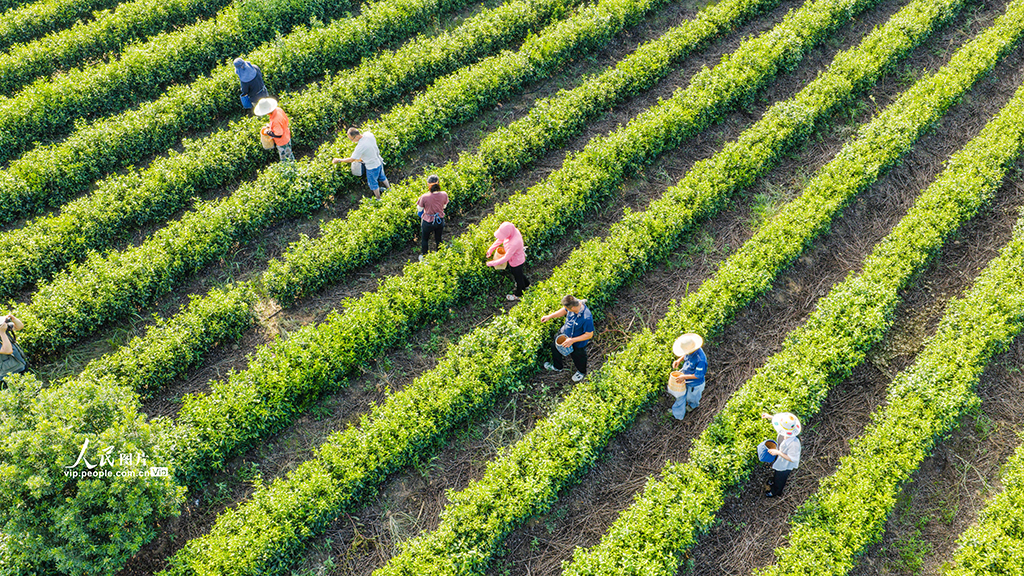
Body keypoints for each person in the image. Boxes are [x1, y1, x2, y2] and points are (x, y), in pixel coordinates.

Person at [541, 295, 594, 382]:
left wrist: (572, 340)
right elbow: (564, 311)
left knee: (578, 357)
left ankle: (581, 372)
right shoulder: (573, 304)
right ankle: (557, 367)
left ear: (573, 308)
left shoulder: (586, 317)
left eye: (567, 308)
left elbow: (589, 335)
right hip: (564, 333)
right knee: (554, 346)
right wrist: (550, 316)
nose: (565, 309)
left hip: (577, 342)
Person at [332, 128, 389, 199]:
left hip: (372, 167)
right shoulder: (368, 134)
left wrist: (339, 160)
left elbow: (351, 159)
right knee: (382, 177)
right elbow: (369, 149)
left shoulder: (360, 146)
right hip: (378, 161)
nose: (352, 141)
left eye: (351, 139)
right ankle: (389, 189)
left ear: (356, 137)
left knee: (373, 184)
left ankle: (378, 198)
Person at [761, 412, 802, 497]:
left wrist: (778, 452)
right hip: (780, 459)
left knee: (780, 478)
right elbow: (780, 421)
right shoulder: (785, 432)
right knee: (777, 472)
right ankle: (774, 480)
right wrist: (769, 417)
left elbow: (792, 458)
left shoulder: (794, 444)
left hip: (785, 465)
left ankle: (775, 492)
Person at [485, 222, 529, 301]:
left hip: (516, 262)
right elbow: (501, 239)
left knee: (517, 276)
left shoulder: (514, 243)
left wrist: (492, 263)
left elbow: (506, 258)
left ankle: (519, 294)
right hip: (517, 259)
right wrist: (491, 249)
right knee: (519, 274)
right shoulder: (513, 232)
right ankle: (526, 284)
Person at [670, 333, 707, 420]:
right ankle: (678, 414)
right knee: (680, 396)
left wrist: (684, 377)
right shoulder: (690, 350)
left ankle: (692, 405)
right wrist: (679, 360)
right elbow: (686, 354)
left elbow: (698, 375)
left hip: (695, 384)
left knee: (693, 397)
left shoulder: (701, 360)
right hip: (685, 378)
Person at [416, 175, 448, 262]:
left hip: (427, 221)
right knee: (438, 238)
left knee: (425, 239)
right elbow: (444, 206)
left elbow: (420, 209)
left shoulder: (424, 197)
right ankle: (440, 255)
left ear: (428, 184)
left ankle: (425, 257)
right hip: (439, 220)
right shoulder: (444, 194)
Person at [0, 313, 27, 381]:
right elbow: (8, 350)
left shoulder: (3, 329)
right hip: (6, 374)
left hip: (19, 364)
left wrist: (13, 319)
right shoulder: (2, 331)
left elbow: (19, 327)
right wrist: (2, 333)